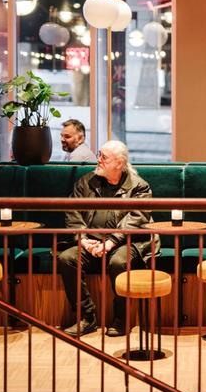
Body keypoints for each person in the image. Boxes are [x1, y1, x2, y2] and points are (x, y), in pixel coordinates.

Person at [57, 140, 159, 337]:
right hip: (91, 241)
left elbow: (137, 219)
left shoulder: (139, 187)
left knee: (119, 262)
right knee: (67, 258)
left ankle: (121, 318)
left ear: (119, 163)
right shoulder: (86, 181)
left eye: (103, 157)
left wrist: (111, 241)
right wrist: (83, 239)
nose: (98, 160)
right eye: (99, 155)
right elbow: (73, 211)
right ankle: (87, 317)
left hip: (128, 241)